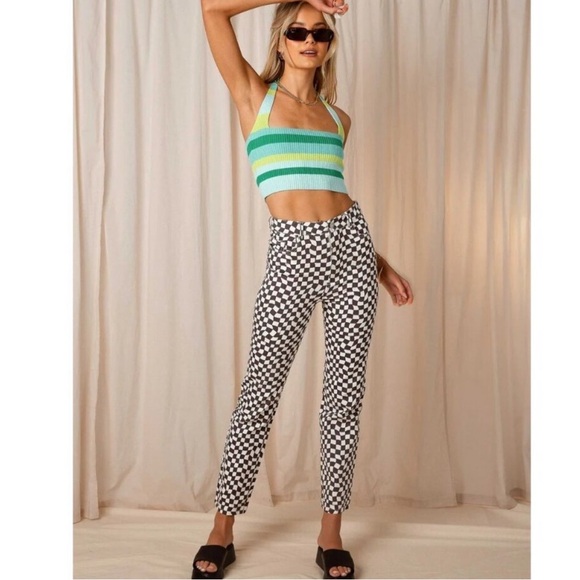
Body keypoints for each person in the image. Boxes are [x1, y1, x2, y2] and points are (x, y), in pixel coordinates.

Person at [193, 1, 414, 578]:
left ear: (329, 44)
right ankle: (221, 529)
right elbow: (212, 10)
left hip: (352, 249)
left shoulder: (339, 118)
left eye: (320, 33)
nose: (309, 39)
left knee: (344, 397)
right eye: (297, 31)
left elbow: (330, 191)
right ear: (281, 40)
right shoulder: (254, 97)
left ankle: (330, 533)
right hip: (291, 251)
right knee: (259, 394)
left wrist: (379, 263)